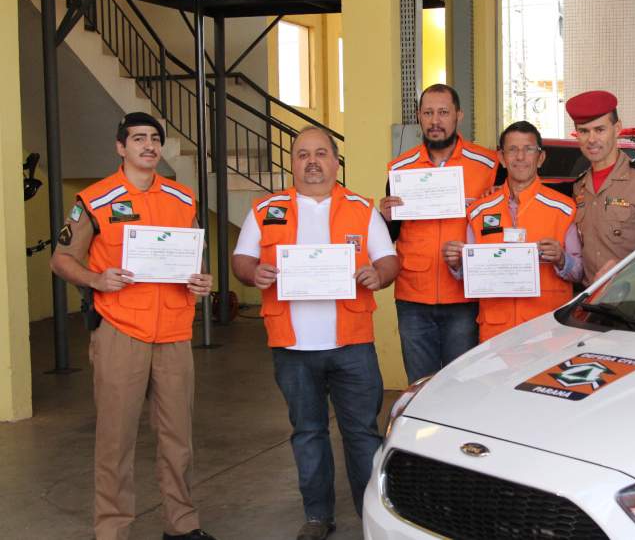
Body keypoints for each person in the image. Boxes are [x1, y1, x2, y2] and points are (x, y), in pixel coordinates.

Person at [49, 112, 216, 540]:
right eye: (138, 138)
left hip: (175, 332)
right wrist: (95, 279)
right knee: (115, 437)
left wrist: (202, 279)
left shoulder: (182, 199)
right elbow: (62, 259)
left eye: (155, 138)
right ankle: (113, 528)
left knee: (178, 438)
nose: (149, 145)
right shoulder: (95, 200)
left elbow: (193, 255)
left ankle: (182, 525)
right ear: (120, 147)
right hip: (121, 329)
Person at [231, 126, 399, 540]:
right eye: (303, 154)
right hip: (292, 344)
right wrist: (255, 272)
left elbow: (390, 260)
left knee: (362, 433)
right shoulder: (267, 210)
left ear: (334, 162)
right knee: (308, 433)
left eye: (320, 153)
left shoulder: (361, 209)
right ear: (291, 161)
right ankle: (317, 516)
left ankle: (369, 516)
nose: (312, 161)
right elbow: (241, 259)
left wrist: (377, 274)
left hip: (352, 343)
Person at [380, 84, 497, 382]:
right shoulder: (400, 169)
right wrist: (385, 217)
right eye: (428, 113)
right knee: (420, 386)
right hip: (413, 298)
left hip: (465, 296)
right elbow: (390, 233)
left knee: (464, 385)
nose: (435, 121)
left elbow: (502, 224)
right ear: (419, 116)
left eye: (443, 112)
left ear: (458, 115)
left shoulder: (488, 166)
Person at [443, 121, 582, 341]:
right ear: (501, 158)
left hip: (548, 331)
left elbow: (579, 271)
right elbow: (466, 275)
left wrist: (562, 259)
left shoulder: (563, 209)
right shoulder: (479, 211)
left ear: (541, 158)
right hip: (495, 332)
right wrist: (456, 263)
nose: (520, 157)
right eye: (512, 149)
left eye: (528, 149)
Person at [566, 90, 635, 286]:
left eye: (600, 129)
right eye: (584, 131)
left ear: (617, 128)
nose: (591, 139)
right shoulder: (580, 186)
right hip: (591, 303)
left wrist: (627, 268)